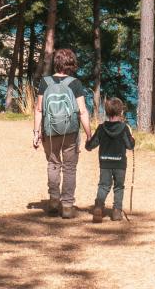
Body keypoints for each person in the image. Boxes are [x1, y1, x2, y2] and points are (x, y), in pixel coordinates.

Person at [31, 48, 91, 219]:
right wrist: (89, 134)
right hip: (70, 131)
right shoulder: (75, 83)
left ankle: (53, 201)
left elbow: (39, 110)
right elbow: (82, 111)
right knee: (70, 168)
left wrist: (36, 132)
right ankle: (67, 206)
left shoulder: (45, 82)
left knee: (53, 164)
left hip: (49, 131)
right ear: (71, 64)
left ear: (56, 63)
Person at [85, 96, 136, 222]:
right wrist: (132, 139)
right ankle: (117, 211)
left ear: (106, 113)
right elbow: (130, 146)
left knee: (103, 186)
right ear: (121, 112)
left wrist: (87, 143)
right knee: (119, 187)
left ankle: (98, 207)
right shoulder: (124, 128)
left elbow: (91, 145)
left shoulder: (102, 128)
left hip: (105, 163)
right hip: (120, 164)